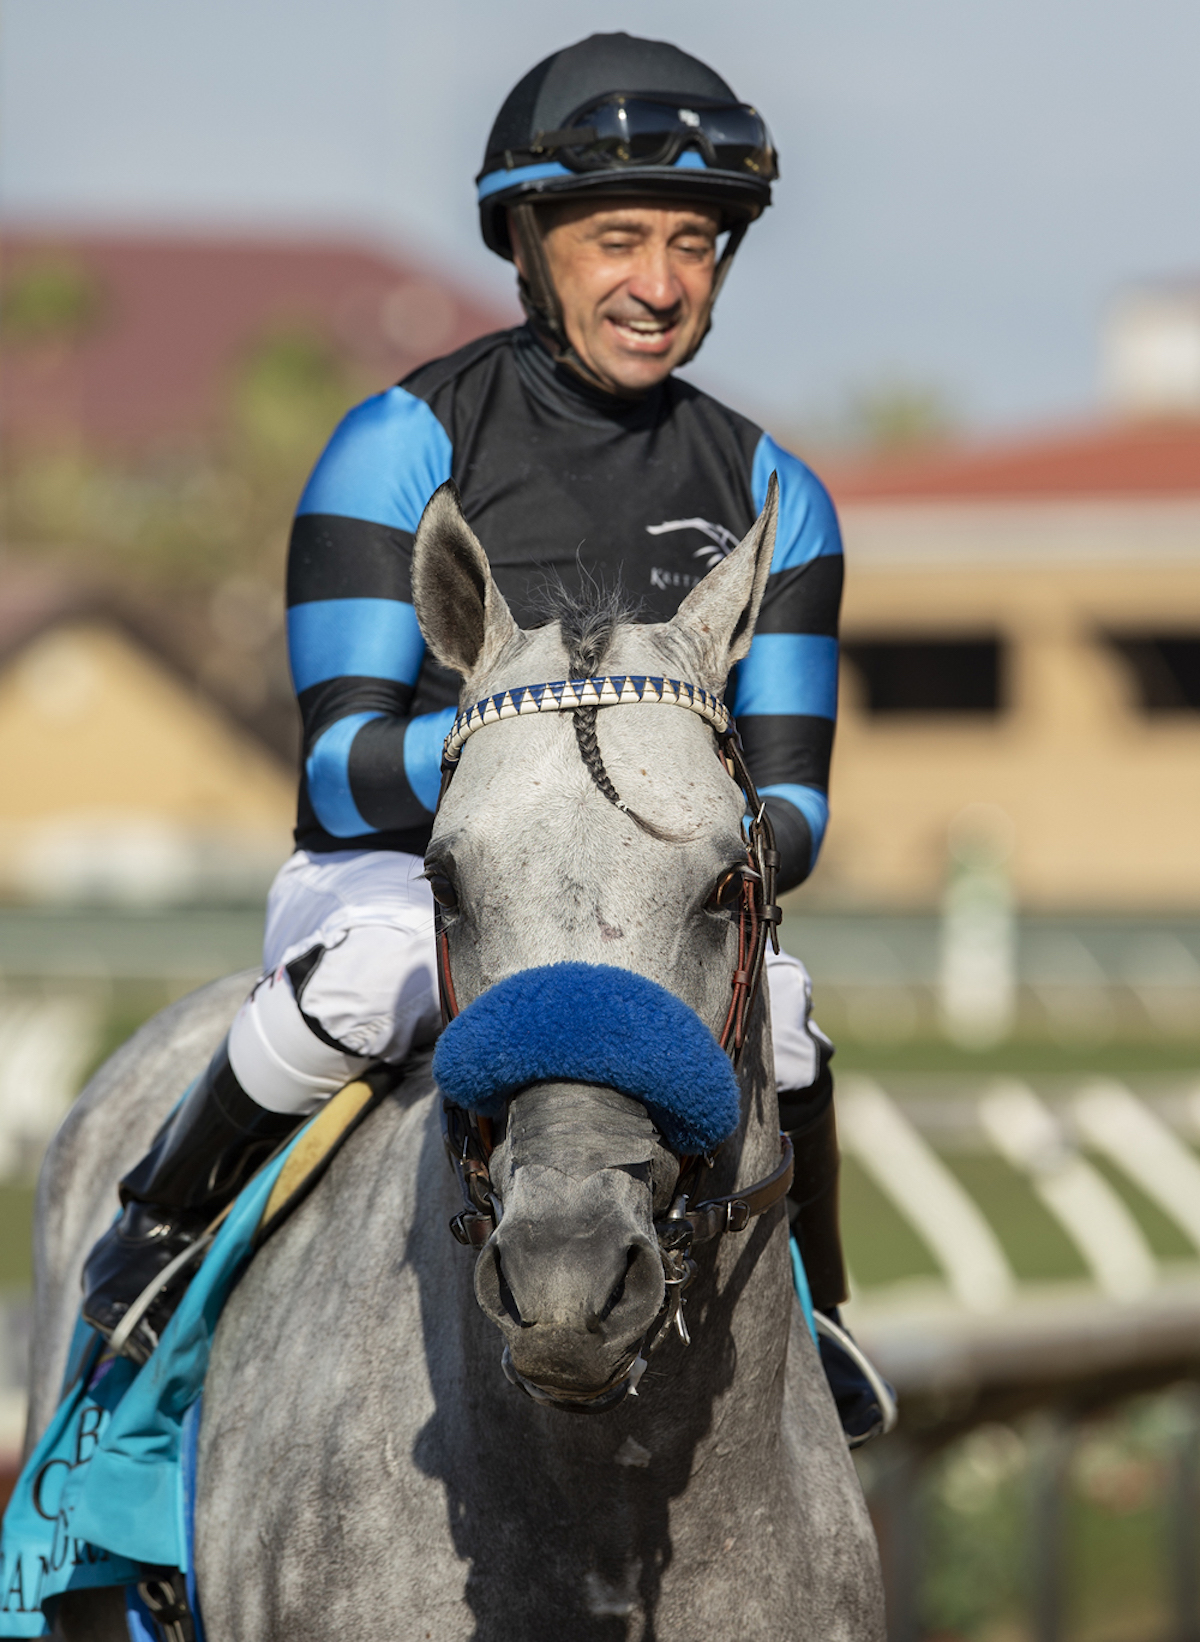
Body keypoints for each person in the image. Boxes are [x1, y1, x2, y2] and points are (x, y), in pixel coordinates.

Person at [83, 31, 889, 1444]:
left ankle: (814, 1320)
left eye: (695, 244)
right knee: (377, 976)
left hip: (654, 906)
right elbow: (338, 766)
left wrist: (668, 813)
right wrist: (528, 751)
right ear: (526, 238)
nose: (659, 282)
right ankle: (154, 1236)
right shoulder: (398, 444)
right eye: (618, 238)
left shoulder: (780, 493)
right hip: (413, 879)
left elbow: (798, 814)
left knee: (798, 1026)